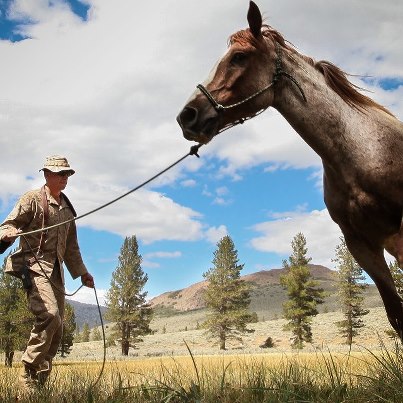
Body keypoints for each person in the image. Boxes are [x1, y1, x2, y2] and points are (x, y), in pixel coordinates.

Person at [0, 155, 94, 390]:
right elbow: (8, 224)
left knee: (59, 326)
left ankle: (40, 383)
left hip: (56, 273)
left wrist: (82, 273)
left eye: (67, 174)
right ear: (46, 175)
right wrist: (8, 232)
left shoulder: (67, 210)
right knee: (50, 315)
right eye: (60, 174)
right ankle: (28, 372)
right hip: (33, 266)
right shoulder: (32, 199)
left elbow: (72, 247)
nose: (65, 178)